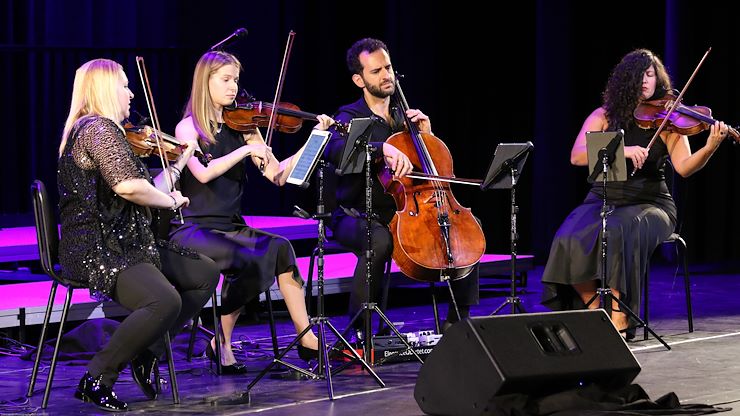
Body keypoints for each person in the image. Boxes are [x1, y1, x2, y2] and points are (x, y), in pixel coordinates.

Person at [57, 59, 220, 411]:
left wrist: (177, 165)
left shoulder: (110, 131)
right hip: (98, 245)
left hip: (128, 239)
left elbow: (146, 186)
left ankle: (147, 351)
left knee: (204, 273)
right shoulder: (97, 129)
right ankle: (97, 377)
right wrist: (169, 200)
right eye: (125, 85)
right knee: (164, 300)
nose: (131, 93)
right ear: (104, 88)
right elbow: (129, 187)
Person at [541, 49, 726, 338]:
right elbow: (577, 156)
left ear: (658, 79)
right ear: (625, 80)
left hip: (651, 203)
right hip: (605, 197)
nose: (645, 80)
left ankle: (620, 320)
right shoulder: (604, 116)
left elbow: (685, 168)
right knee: (567, 238)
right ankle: (594, 312)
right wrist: (624, 150)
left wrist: (709, 148)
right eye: (638, 75)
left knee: (616, 231)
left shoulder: (667, 120)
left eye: (650, 74)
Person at [170, 50, 331, 373]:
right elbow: (203, 172)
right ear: (206, 81)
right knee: (254, 256)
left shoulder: (244, 125)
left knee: (280, 248)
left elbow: (278, 175)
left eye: (236, 80)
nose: (234, 88)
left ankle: (305, 336)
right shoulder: (188, 128)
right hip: (194, 228)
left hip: (229, 225)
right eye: (226, 79)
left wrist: (314, 140)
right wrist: (246, 150)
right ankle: (222, 341)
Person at [324, 38, 481, 336]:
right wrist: (381, 147)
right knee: (378, 241)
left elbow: (432, 172)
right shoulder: (349, 116)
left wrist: (427, 136)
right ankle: (360, 331)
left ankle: (458, 321)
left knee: (468, 230)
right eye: (376, 71)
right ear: (359, 79)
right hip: (356, 213)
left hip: (409, 212)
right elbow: (335, 150)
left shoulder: (404, 117)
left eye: (388, 67)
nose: (386, 76)